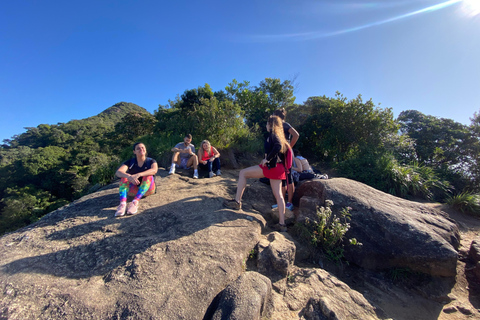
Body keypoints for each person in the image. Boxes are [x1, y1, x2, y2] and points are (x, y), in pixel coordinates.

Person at [224, 115, 292, 232]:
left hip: (271, 167)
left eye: (267, 123)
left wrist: (267, 159)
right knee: (279, 195)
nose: (266, 125)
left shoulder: (273, 135)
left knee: (243, 173)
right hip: (278, 168)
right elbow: (280, 148)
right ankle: (282, 224)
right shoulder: (281, 137)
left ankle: (237, 202)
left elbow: (277, 147)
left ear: (271, 125)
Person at [115, 142, 158, 217]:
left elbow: (154, 170)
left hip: (148, 190)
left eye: (143, 147)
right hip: (133, 190)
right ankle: (122, 204)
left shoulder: (151, 161)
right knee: (123, 178)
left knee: (149, 176)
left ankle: (135, 202)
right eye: (138, 148)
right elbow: (118, 172)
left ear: (145, 150)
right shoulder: (130, 162)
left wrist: (139, 174)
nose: (141, 149)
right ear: (134, 152)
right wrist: (129, 176)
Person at [272, 108, 299, 211]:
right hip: (280, 153)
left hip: (286, 152)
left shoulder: (285, 124)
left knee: (288, 175)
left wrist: (289, 147)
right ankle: (281, 202)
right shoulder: (277, 126)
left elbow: (296, 135)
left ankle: (290, 203)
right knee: (282, 176)